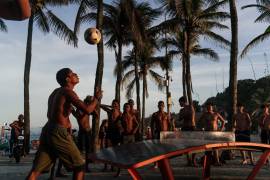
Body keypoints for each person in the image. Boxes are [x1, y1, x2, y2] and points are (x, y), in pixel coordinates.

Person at [26, 68, 102, 180]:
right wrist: (96, 98)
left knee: (35, 170)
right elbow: (87, 110)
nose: (76, 74)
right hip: (57, 131)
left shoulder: (55, 92)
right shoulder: (68, 92)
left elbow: (52, 114)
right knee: (80, 166)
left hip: (48, 130)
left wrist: (68, 124)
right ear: (68, 79)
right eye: (73, 74)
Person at [74, 95, 97, 172]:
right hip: (82, 132)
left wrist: (93, 110)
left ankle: (86, 167)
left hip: (88, 131)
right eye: (89, 102)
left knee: (88, 150)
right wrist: (87, 112)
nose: (89, 104)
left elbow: (96, 114)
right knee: (81, 151)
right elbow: (80, 119)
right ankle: (81, 166)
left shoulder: (88, 110)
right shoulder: (79, 110)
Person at [178, 96, 196, 166]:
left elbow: (190, 116)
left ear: (183, 102)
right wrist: (184, 114)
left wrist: (184, 114)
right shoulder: (181, 110)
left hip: (191, 127)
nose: (179, 104)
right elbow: (180, 118)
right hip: (184, 127)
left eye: (180, 103)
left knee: (194, 144)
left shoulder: (190, 107)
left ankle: (193, 160)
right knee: (186, 145)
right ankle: (189, 161)